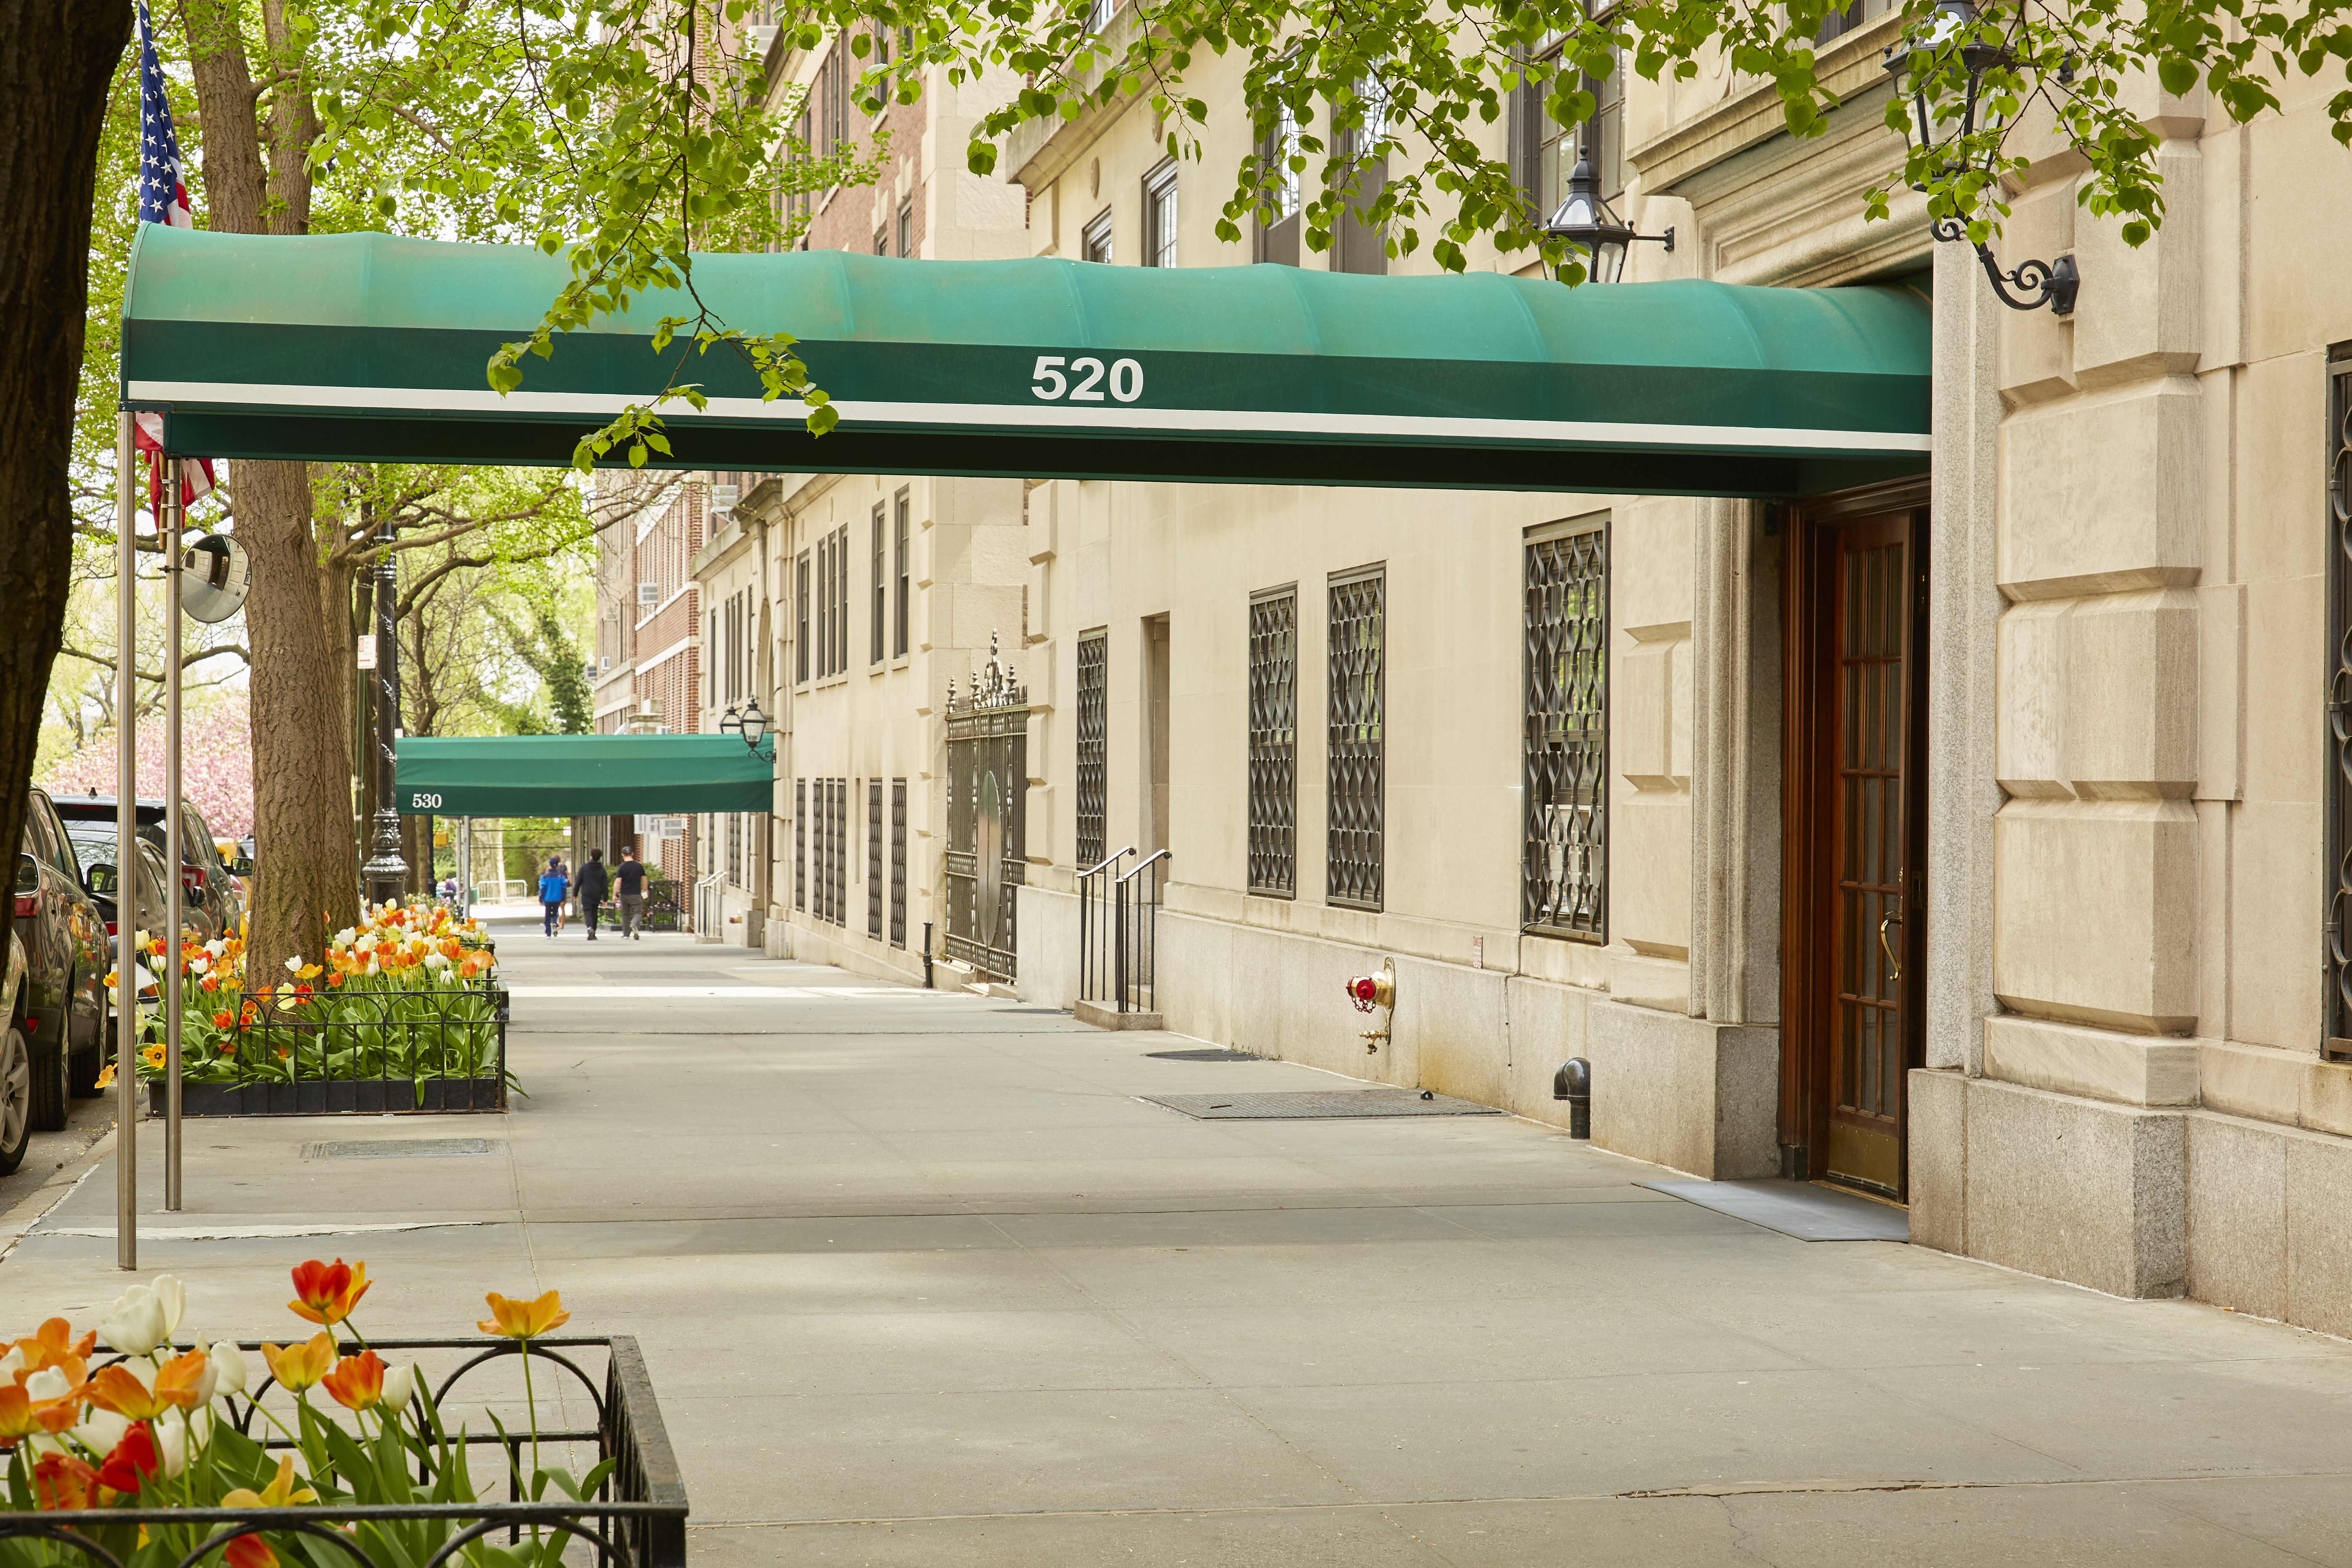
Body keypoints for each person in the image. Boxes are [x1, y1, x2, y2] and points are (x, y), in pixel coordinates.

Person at [613, 847, 647, 940]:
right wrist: (645, 889)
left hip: (624, 894)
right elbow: (644, 878)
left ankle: (626, 934)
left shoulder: (622, 867)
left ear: (623, 855)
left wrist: (614, 894)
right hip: (636, 894)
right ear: (632, 854)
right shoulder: (639, 866)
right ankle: (634, 925)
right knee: (638, 913)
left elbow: (618, 882)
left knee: (625, 914)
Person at [576, 849, 611, 940]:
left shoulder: (584, 868)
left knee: (588, 912)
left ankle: (590, 928)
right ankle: (594, 932)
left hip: (587, 894)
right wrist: (605, 898)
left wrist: (575, 893)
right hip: (597, 894)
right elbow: (605, 885)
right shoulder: (602, 870)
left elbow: (578, 881)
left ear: (591, 856)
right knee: (595, 913)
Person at [537, 856, 568, 938]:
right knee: (555, 913)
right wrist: (563, 898)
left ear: (549, 865)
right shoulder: (561, 877)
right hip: (557, 898)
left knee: (548, 915)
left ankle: (548, 933)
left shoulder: (544, 877)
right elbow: (564, 888)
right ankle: (555, 922)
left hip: (548, 898)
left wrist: (541, 898)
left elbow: (542, 888)